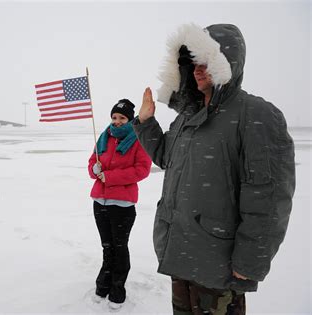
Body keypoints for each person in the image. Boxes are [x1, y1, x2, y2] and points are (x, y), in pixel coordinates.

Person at [133, 24, 295, 314]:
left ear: (227, 62)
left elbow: (269, 198)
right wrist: (145, 123)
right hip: (180, 253)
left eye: (207, 62)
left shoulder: (255, 114)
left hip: (219, 265)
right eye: (194, 62)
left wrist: (251, 261)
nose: (198, 69)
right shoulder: (187, 116)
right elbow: (167, 158)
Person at [88, 99, 152, 309]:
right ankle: (103, 284)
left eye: (122, 118)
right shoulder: (105, 136)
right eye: (114, 117)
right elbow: (91, 162)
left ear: (130, 119)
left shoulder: (138, 139)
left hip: (122, 205)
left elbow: (142, 169)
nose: (116, 122)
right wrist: (95, 170)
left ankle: (117, 289)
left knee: (119, 247)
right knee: (107, 247)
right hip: (100, 202)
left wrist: (110, 176)